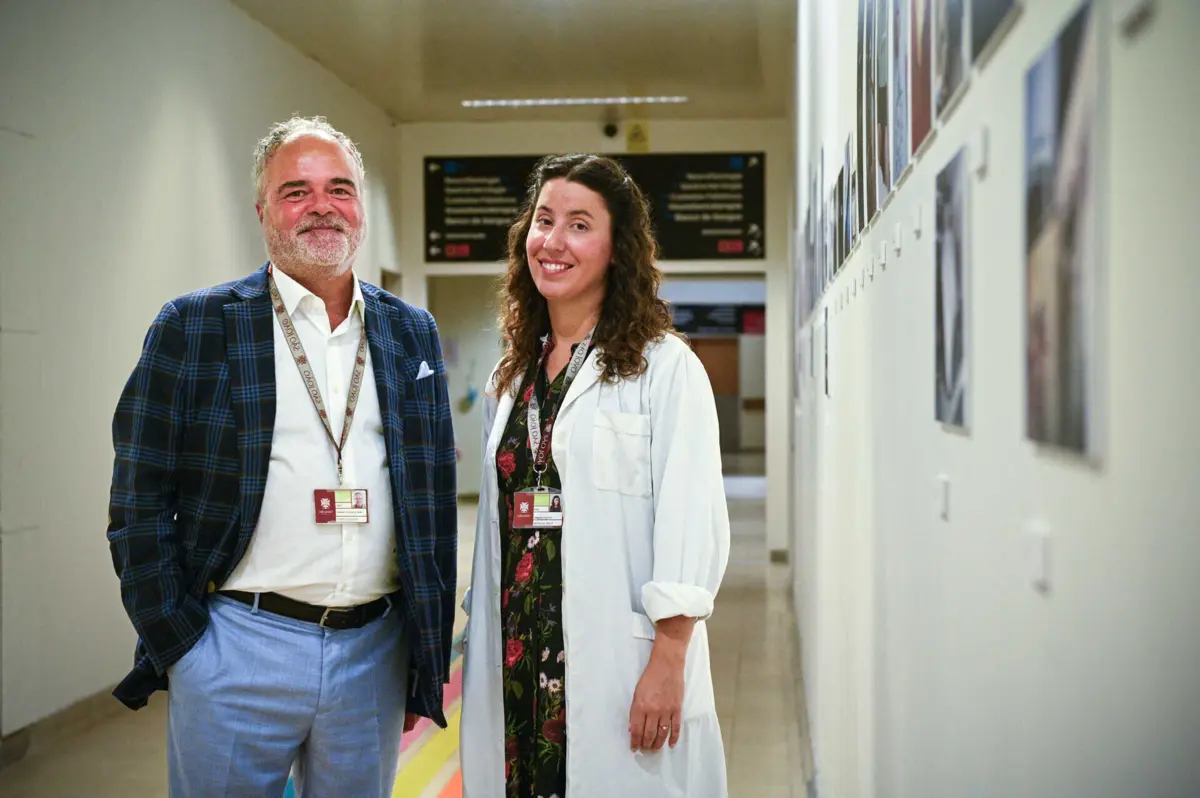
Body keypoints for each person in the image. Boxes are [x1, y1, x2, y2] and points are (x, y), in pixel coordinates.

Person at [106, 115, 458, 797]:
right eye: (296, 190)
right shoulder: (197, 326)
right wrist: (184, 646)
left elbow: (432, 495)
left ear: (360, 207)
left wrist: (423, 648)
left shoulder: (409, 331)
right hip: (237, 646)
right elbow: (138, 499)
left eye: (340, 188)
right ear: (262, 210)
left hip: (374, 652)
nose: (321, 205)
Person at [459, 153, 731, 797]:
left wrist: (668, 660)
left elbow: (691, 516)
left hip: (617, 654)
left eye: (579, 225)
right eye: (543, 220)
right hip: (518, 651)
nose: (553, 242)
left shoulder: (664, 368)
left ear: (617, 249)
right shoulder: (513, 376)